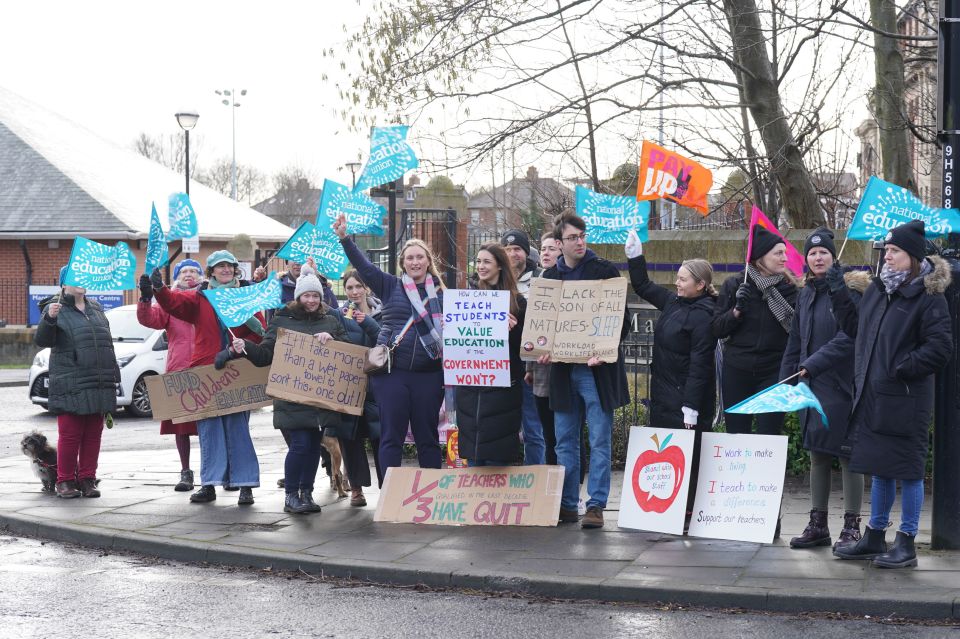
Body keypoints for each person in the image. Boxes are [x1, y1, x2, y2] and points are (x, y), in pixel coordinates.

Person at [831, 220, 952, 568]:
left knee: (908, 471)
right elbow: (857, 330)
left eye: (894, 251)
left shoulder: (928, 297)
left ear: (912, 256)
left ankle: (907, 542)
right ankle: (874, 536)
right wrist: (838, 294)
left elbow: (941, 348)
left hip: (906, 400)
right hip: (875, 397)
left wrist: (901, 366)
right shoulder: (879, 290)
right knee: (880, 468)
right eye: (886, 250)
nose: (887, 257)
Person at [227, 260, 347, 514]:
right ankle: (291, 495)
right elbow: (264, 355)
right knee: (301, 445)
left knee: (314, 447)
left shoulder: (331, 320)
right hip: (291, 398)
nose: (312, 300)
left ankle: (307, 493)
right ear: (298, 296)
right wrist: (245, 347)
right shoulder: (282, 319)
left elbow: (345, 351)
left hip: (319, 399)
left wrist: (332, 340)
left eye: (316, 295)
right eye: (307, 295)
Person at [147, 250, 266, 506]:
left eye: (229, 266)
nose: (225, 270)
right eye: (219, 266)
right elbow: (173, 303)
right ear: (211, 272)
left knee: (238, 430)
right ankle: (209, 484)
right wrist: (158, 287)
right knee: (209, 432)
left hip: (237, 371)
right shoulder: (199, 298)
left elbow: (259, 334)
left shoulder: (246, 298)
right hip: (206, 371)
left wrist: (239, 346)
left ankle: (245, 484)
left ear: (235, 270)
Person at [332, 213, 446, 472]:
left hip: (429, 375)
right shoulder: (389, 286)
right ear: (402, 263)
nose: (415, 262)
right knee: (391, 437)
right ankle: (389, 498)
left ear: (428, 261)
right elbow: (365, 267)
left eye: (420, 257)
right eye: (410, 258)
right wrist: (345, 239)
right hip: (392, 374)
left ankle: (431, 497)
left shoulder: (444, 295)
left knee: (427, 439)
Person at [539, 213, 630, 529]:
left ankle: (596, 505)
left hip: (596, 373)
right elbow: (541, 327)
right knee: (565, 440)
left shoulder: (604, 271)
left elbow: (623, 321)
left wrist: (603, 350)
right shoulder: (549, 279)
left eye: (582, 236)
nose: (580, 242)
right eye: (573, 237)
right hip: (563, 373)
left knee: (600, 439)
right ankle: (567, 504)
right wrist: (542, 350)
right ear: (559, 242)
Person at [779, 228, 868, 551]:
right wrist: (788, 377)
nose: (818, 258)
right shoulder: (805, 293)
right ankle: (818, 525)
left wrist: (813, 363)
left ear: (834, 257)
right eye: (812, 253)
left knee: (847, 456)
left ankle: (851, 526)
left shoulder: (850, 290)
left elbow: (850, 337)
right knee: (818, 454)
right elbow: (796, 339)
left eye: (823, 253)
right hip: (811, 384)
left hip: (843, 386)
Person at [625, 229, 717, 520]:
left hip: (686, 397)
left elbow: (700, 363)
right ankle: (666, 508)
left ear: (700, 284)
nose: (676, 283)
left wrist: (691, 407)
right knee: (665, 454)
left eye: (683, 279)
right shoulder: (673, 302)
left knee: (689, 454)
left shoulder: (704, 314)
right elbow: (642, 285)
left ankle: (690, 508)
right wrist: (635, 256)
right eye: (677, 277)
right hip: (663, 393)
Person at [35, 266, 119, 498]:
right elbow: (42, 339)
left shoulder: (97, 308)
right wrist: (50, 318)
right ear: (64, 284)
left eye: (83, 278)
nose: (81, 283)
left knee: (94, 434)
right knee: (71, 435)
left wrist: (114, 375)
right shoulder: (54, 308)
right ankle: (64, 482)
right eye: (75, 279)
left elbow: (106, 344)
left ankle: (87, 480)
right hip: (70, 382)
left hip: (98, 381)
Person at [713, 225, 799, 436]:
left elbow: (799, 332)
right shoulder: (735, 284)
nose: (785, 258)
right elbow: (716, 329)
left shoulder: (791, 288)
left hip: (774, 371)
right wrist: (736, 311)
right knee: (736, 434)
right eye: (778, 253)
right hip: (737, 370)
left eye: (785, 253)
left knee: (768, 436)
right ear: (761, 256)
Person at [456, 244, 526, 466]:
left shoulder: (517, 302)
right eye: (478, 261)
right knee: (474, 453)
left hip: (503, 388)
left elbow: (523, 349)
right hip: (472, 387)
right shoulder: (469, 299)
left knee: (498, 456)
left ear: (499, 266)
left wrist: (511, 331)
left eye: (486, 262)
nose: (480, 266)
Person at [137, 258, 203, 492]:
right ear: (176, 277)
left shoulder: (208, 297)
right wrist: (146, 298)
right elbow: (149, 319)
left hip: (207, 369)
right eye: (183, 271)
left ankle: (213, 471)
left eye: (194, 271)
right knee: (182, 427)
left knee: (209, 426)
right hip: (180, 369)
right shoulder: (170, 303)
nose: (189, 274)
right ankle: (186, 472)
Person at [336, 269, 384, 503]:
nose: (355, 292)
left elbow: (385, 342)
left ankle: (387, 488)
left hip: (377, 386)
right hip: (350, 386)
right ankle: (356, 488)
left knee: (381, 437)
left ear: (367, 288)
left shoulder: (382, 313)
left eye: (358, 286)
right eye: (350, 288)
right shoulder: (340, 315)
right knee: (350, 437)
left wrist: (368, 323)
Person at [501, 229, 546, 465]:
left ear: (526, 252)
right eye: (507, 249)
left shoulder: (541, 279)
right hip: (500, 369)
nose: (512, 254)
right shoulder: (492, 282)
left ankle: (534, 485)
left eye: (517, 249)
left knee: (533, 431)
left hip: (531, 368)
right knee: (501, 430)